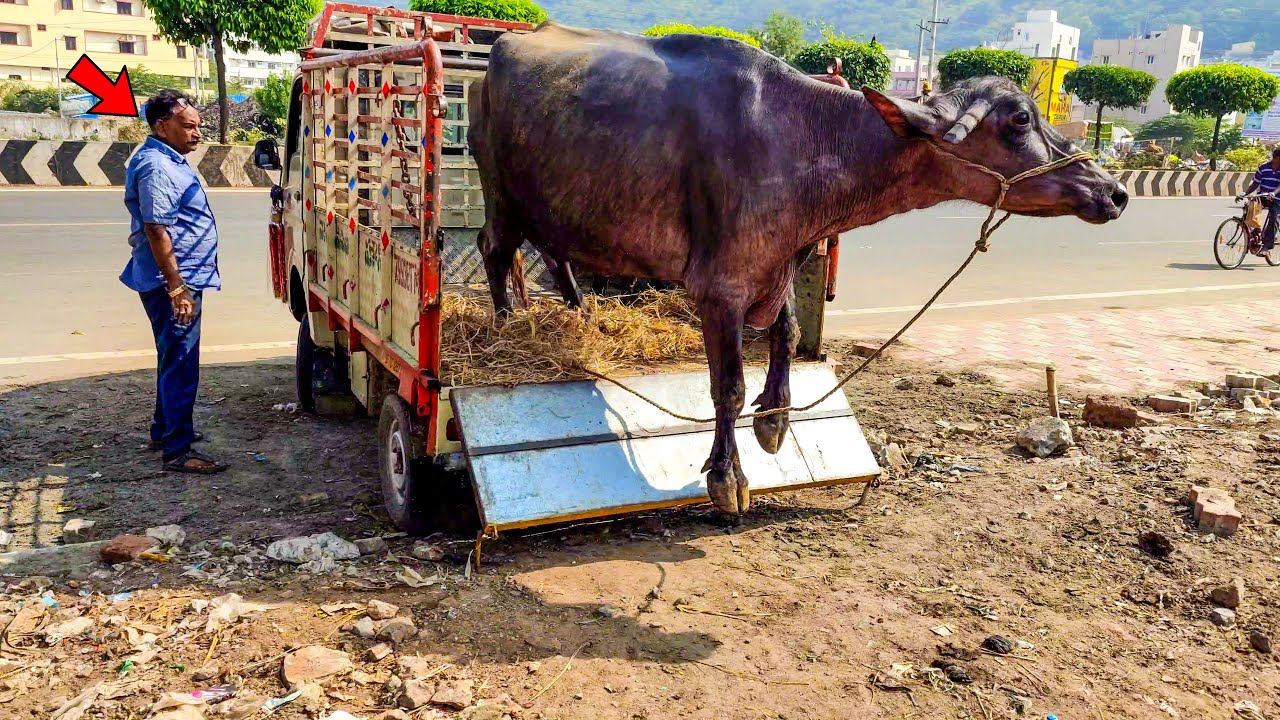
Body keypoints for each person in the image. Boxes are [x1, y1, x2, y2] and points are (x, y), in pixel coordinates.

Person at [120, 90, 227, 474]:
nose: (197, 133)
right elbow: (156, 228)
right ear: (162, 126)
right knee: (181, 360)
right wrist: (177, 287)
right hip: (174, 282)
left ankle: (165, 430)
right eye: (189, 126)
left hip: (180, 277)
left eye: (199, 126)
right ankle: (178, 452)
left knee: (172, 355)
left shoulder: (169, 159)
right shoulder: (157, 167)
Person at [1243, 146, 1280, 254]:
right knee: (1250, 209)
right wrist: (1245, 193)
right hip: (1262, 196)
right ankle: (1256, 232)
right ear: (1276, 158)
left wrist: (1273, 193)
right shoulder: (1263, 167)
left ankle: (1267, 247)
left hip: (1277, 198)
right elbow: (1255, 184)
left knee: (1274, 218)